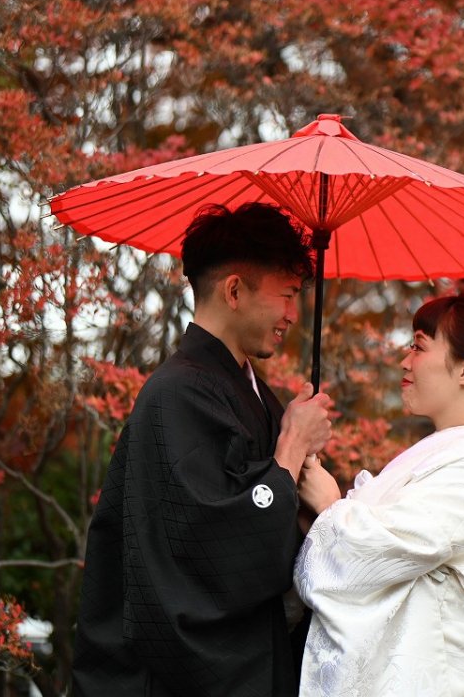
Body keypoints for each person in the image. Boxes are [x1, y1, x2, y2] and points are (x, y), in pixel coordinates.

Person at [73, 203, 335, 697]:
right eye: (287, 295)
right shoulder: (177, 394)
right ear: (234, 290)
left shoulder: (242, 391)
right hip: (173, 677)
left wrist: (307, 475)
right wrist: (293, 445)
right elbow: (214, 546)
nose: (293, 315)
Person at [294, 286, 464, 697]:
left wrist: (330, 505)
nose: (405, 361)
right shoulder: (446, 459)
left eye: (419, 347)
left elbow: (367, 560)